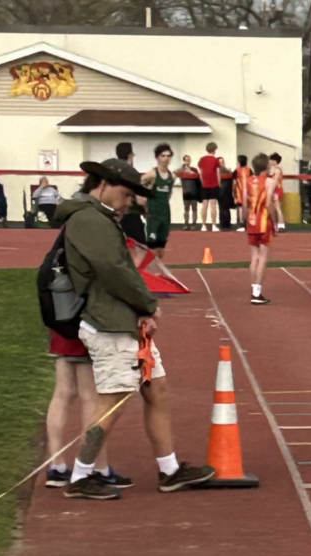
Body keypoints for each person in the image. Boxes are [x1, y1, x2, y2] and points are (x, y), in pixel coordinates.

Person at [53, 157, 214, 499]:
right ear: (103, 185)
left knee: (157, 390)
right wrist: (147, 305)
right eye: (126, 195)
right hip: (108, 324)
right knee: (112, 401)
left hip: (123, 322)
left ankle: (170, 470)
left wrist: (139, 309)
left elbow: (118, 270)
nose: (129, 203)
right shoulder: (88, 219)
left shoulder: (97, 217)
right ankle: (81, 477)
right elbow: (114, 270)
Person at [44, 330, 131, 489]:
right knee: (91, 398)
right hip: (85, 330)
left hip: (60, 327)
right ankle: (99, 467)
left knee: (62, 394)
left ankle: (56, 466)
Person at [244, 153, 279, 305]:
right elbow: (270, 203)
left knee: (254, 256)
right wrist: (275, 222)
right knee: (263, 256)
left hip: (251, 220)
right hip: (264, 221)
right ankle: (257, 292)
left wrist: (245, 220)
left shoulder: (248, 181)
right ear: (266, 166)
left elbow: (244, 203)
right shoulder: (270, 182)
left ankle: (254, 288)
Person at [139, 143, 175, 260]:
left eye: (168, 156)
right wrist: (144, 208)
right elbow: (138, 190)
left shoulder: (172, 176)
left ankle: (160, 273)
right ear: (157, 157)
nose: (165, 159)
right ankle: (149, 273)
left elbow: (168, 194)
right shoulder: (151, 175)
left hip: (165, 214)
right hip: (153, 215)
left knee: (161, 246)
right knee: (151, 246)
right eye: (162, 156)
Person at [115, 142, 147, 244]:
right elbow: (140, 200)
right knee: (140, 247)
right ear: (130, 155)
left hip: (115, 216)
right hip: (131, 215)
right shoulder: (131, 173)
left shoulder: (112, 171)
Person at [197, 142, 220, 231]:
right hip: (214, 184)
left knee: (204, 205)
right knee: (213, 205)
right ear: (214, 150)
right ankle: (214, 225)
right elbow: (217, 173)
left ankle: (203, 225)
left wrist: (202, 183)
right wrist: (219, 184)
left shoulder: (202, 159)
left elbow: (201, 173)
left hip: (204, 185)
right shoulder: (215, 160)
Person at [177, 155, 200, 230]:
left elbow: (198, 176)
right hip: (186, 191)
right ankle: (186, 223)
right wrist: (183, 167)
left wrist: (189, 171)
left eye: (189, 160)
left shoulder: (194, 169)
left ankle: (194, 223)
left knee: (194, 208)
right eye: (186, 160)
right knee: (186, 208)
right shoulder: (182, 170)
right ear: (184, 160)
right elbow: (175, 172)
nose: (187, 161)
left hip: (194, 191)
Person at [268, 152, 285, 232]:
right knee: (274, 208)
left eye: (271, 159)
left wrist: (271, 189)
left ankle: (281, 225)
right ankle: (276, 225)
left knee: (277, 208)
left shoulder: (277, 169)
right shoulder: (274, 169)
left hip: (277, 189)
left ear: (274, 161)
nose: (269, 161)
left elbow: (275, 180)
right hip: (275, 189)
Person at [232, 155, 250, 232]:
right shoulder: (249, 170)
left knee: (240, 208)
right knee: (247, 208)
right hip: (248, 192)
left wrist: (233, 193)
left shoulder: (236, 170)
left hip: (240, 191)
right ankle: (247, 224)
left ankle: (241, 224)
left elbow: (234, 183)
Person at [216, 156, 233, 230]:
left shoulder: (227, 170)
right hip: (221, 190)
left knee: (225, 207)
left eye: (222, 161)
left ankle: (226, 224)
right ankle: (223, 224)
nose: (221, 163)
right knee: (222, 207)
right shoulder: (219, 170)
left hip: (227, 191)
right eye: (220, 162)